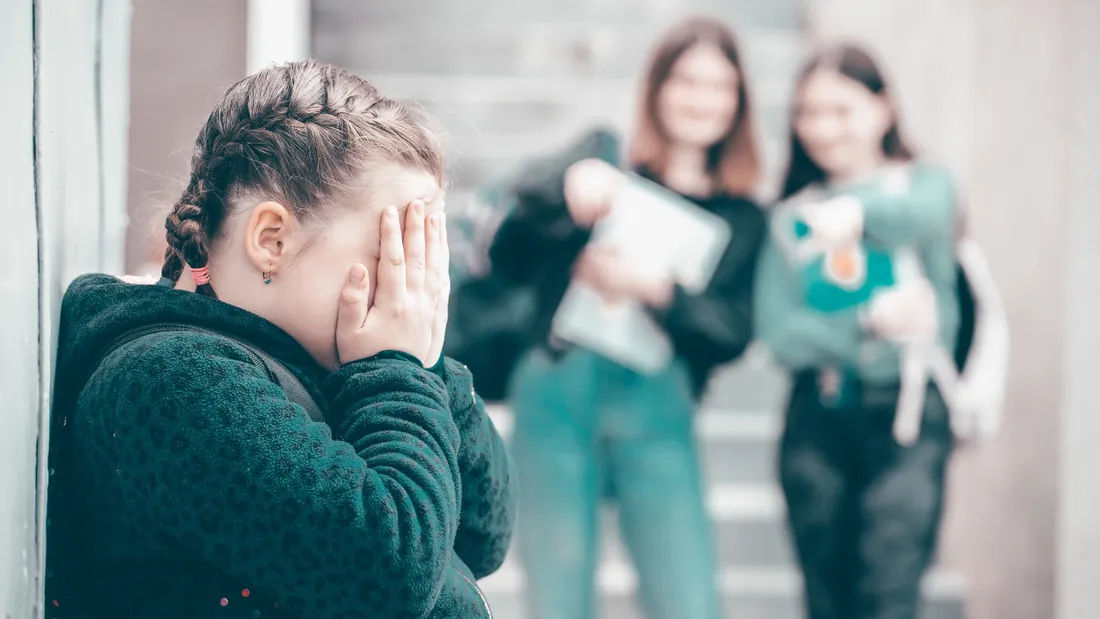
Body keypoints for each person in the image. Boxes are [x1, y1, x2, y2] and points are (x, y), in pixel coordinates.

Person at [44, 59, 516, 619]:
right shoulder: (170, 380)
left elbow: (483, 533)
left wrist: (425, 363)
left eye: (422, 260)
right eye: (392, 254)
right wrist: (398, 369)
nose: (410, 287)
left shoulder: (336, 365)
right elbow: (392, 574)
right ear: (271, 240)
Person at [487, 17, 766, 619]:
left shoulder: (743, 215)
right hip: (557, 393)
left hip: (659, 410)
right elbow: (508, 245)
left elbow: (734, 332)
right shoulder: (604, 159)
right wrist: (568, 185)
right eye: (686, 81)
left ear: (739, 101)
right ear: (658, 87)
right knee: (559, 599)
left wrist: (656, 291)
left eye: (719, 86)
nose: (701, 99)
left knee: (687, 600)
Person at [754, 45, 960, 619]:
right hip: (818, 419)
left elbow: (931, 217)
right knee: (828, 597)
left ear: (883, 109)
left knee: (889, 592)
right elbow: (778, 333)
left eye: (840, 110)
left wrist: (857, 215)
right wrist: (866, 324)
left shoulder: (924, 188)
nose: (822, 128)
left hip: (908, 418)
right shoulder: (792, 214)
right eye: (808, 113)